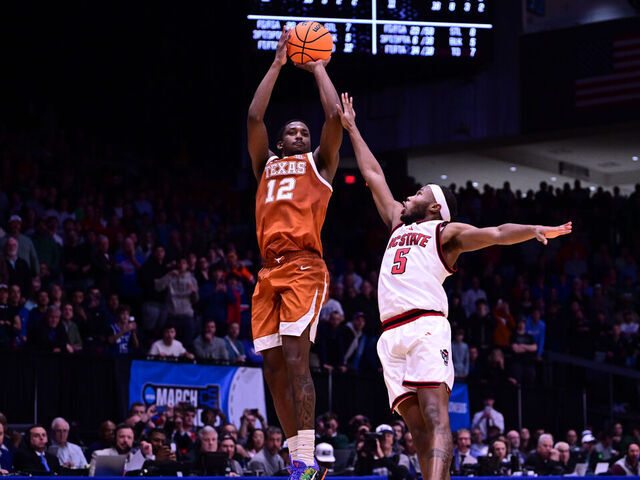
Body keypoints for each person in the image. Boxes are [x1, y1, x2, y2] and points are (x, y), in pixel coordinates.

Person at [337, 92, 572, 480]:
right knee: (416, 432)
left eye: (419, 194)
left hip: (426, 325)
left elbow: (495, 233)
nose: (409, 195)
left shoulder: (445, 232)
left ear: (434, 207)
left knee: (435, 415)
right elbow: (373, 175)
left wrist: (532, 230)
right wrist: (352, 128)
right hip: (390, 335)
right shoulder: (398, 223)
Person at [247, 25, 342, 478]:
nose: (300, 134)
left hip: (305, 266)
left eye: (305, 131)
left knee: (294, 357)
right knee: (271, 367)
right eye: (292, 131)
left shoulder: (320, 166)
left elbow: (334, 121)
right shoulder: (266, 163)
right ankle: (297, 459)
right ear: (281, 143)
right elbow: (252, 118)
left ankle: (308, 454)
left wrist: (319, 68)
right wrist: (278, 63)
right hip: (268, 271)